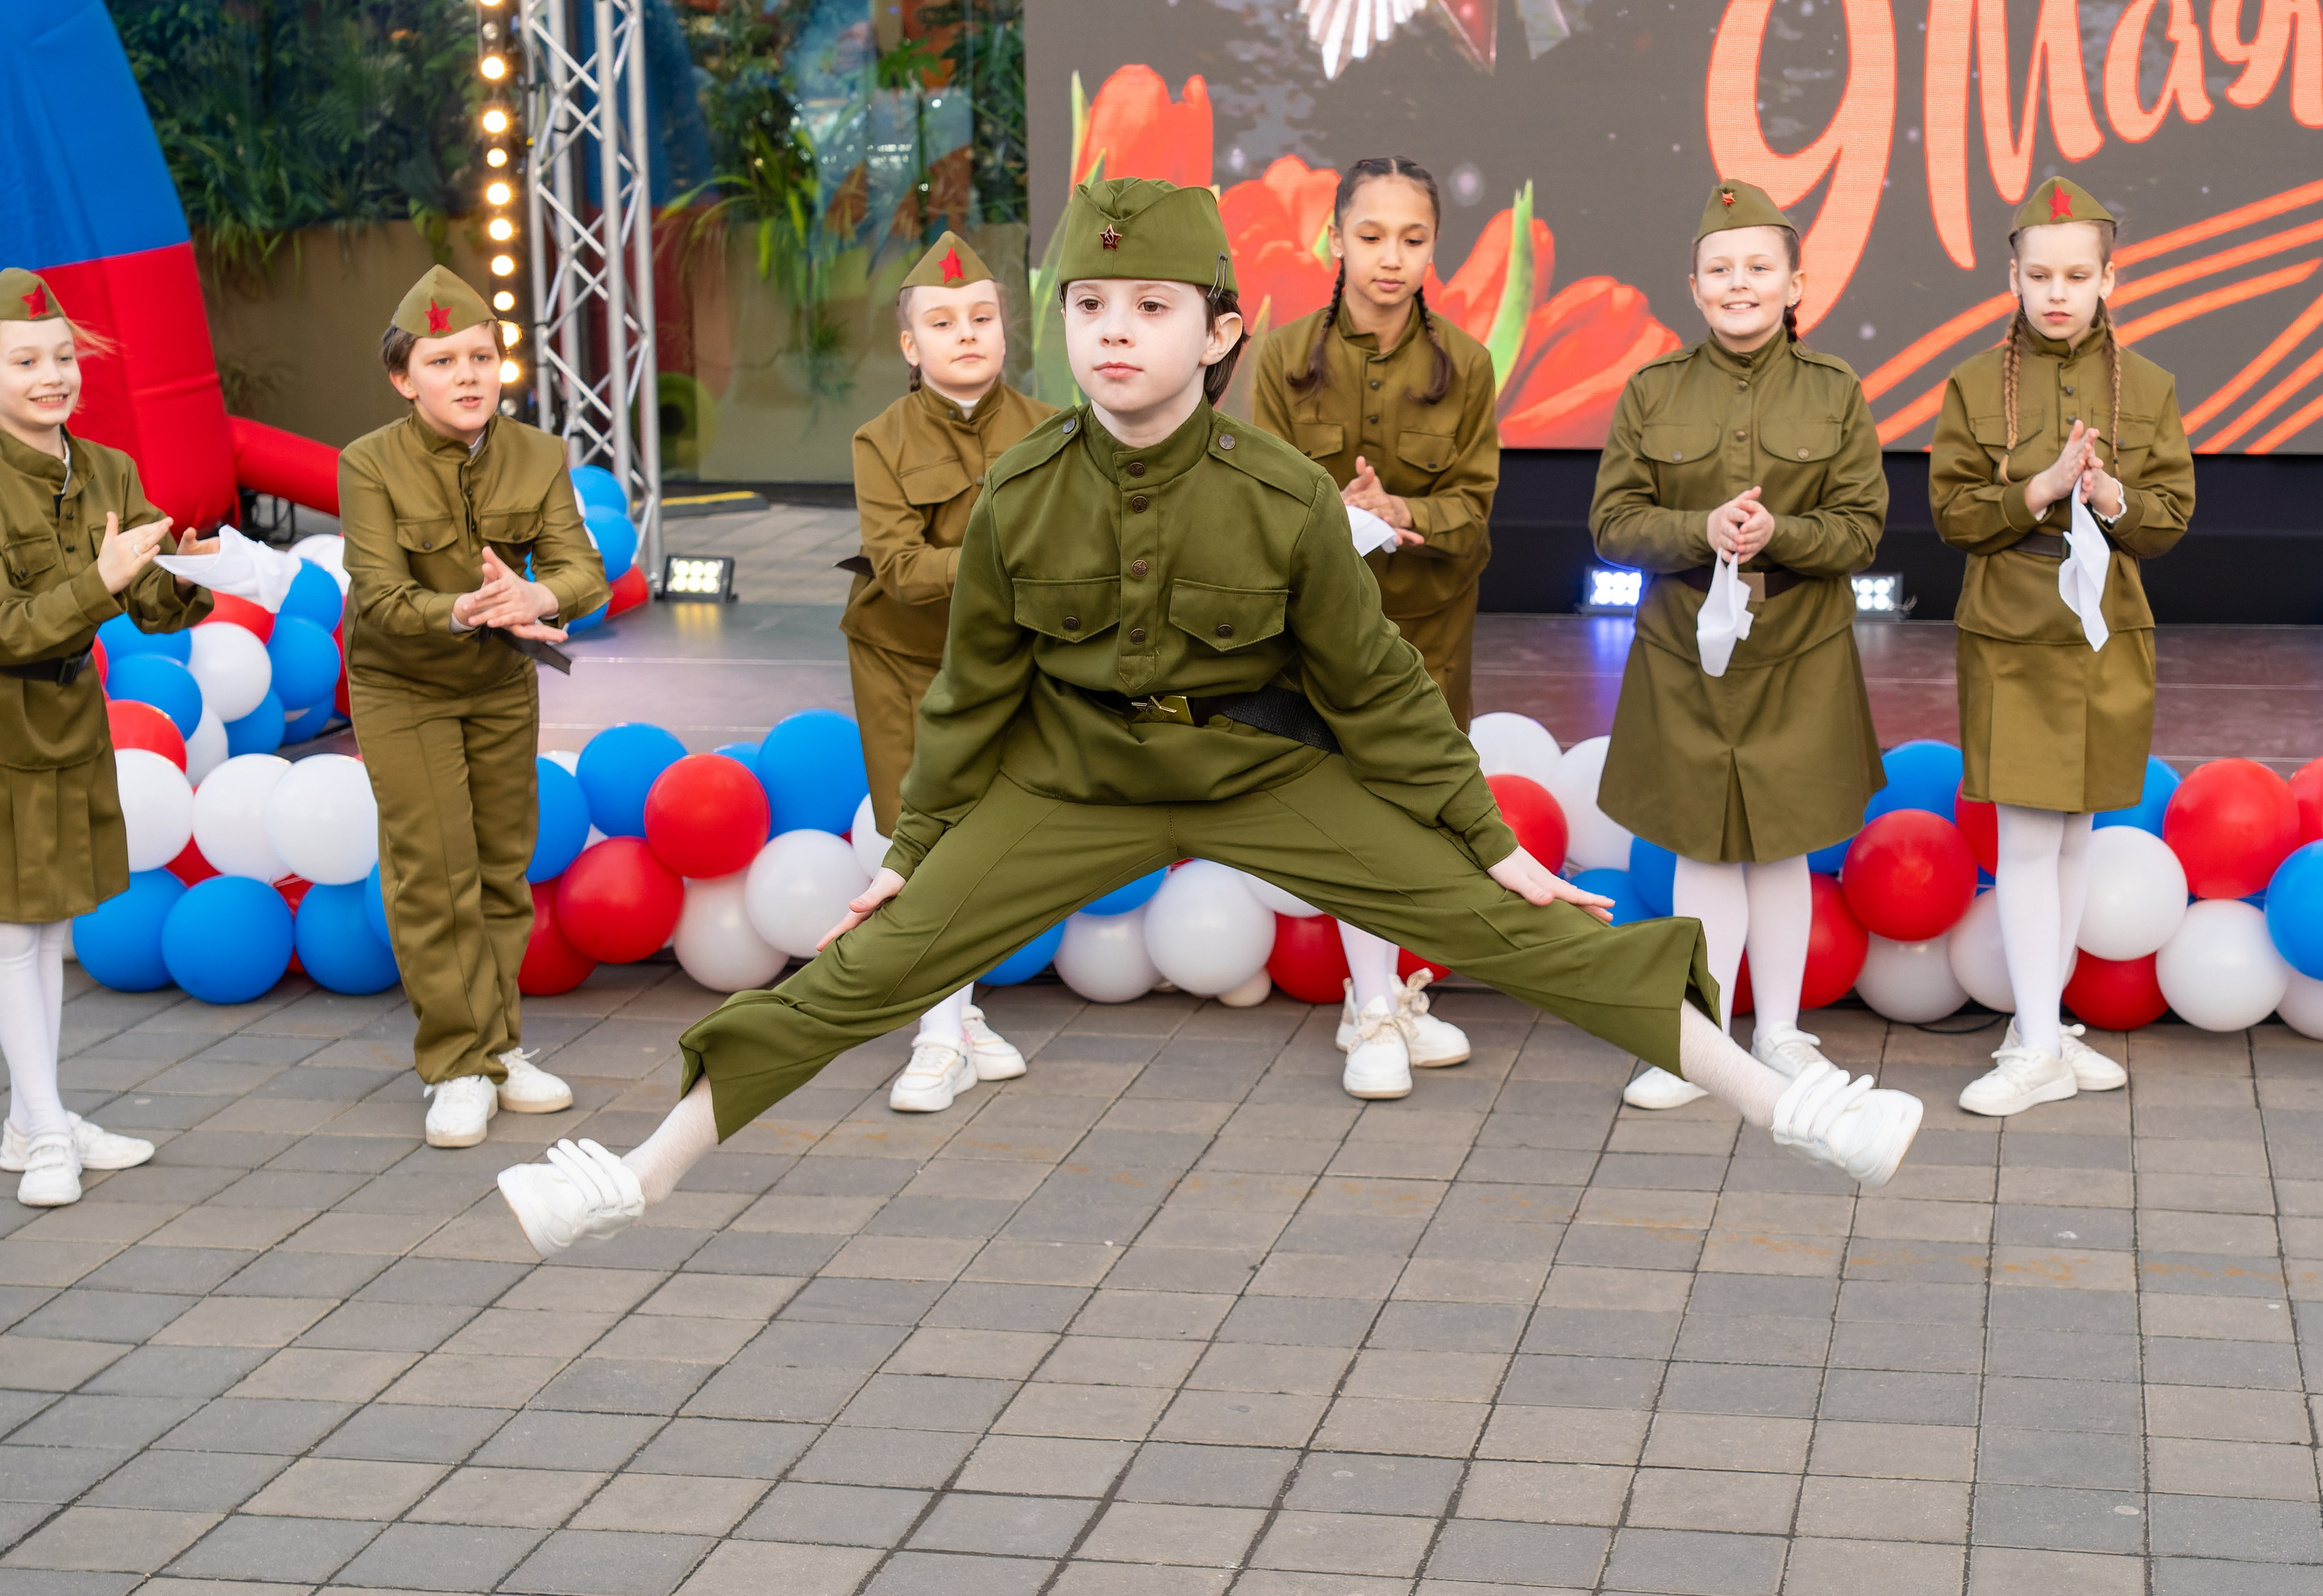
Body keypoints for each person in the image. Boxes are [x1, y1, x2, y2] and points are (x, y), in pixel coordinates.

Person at [493, 177, 1928, 1258]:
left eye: (1154, 309)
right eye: (1093, 311)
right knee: (866, 970)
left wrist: (1486, 840)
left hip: (1251, 767)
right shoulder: (1020, 488)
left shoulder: (1284, 494)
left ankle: (1794, 1106)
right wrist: (914, 848)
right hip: (1072, 781)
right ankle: (639, 1169)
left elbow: (1375, 689)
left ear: (1220, 330)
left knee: (1525, 933)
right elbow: (975, 689)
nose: (1116, 335)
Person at [1588, 181, 1889, 1110]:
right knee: (1705, 857)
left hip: (1798, 657)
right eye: (1721, 269)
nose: (1741, 284)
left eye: (1760, 267)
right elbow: (1612, 525)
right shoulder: (1652, 391)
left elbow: (1862, 529)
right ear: (1694, 286)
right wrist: (1701, 528)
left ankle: (1786, 1035)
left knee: (1784, 851)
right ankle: (1705, 1042)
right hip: (1688, 662)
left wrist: (1780, 537)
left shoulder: (1836, 392)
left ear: (1796, 283)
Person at [1929, 178, 2193, 1116]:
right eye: (2038, 273)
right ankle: (2038, 1042)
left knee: (2078, 834)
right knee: (2030, 841)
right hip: (2013, 636)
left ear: (2109, 278)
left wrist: (2112, 495)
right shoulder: (1969, 383)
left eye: (2076, 274)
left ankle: (2041, 1029)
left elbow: (2169, 518)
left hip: (2105, 637)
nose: (2056, 291)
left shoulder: (2152, 387)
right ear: (2012, 275)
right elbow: (1954, 513)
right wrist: (2038, 487)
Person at [339, 266, 612, 1147]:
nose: (468, 375)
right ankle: (455, 1063)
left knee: (501, 867)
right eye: (443, 359)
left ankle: (501, 1047)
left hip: (499, 683)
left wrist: (539, 600)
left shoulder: (537, 454)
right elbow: (378, 596)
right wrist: (460, 607)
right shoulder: (368, 463)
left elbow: (582, 569)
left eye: (482, 356)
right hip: (403, 685)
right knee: (435, 870)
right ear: (402, 376)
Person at [1251, 156, 1499, 1100]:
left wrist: (1405, 511)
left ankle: (1391, 992)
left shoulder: (1465, 365)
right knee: (1354, 812)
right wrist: (1330, 514)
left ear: (1435, 246)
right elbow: (1253, 506)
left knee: (1416, 816)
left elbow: (1474, 519)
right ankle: (1375, 1014)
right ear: (1333, 238)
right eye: (1371, 235)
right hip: (1323, 633)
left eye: (1413, 238)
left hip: (1429, 631)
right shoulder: (1279, 360)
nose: (1390, 258)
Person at [0, 267, 211, 1207]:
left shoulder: (108, 472)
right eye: (24, 361)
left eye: (62, 357)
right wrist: (102, 580)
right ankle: (45, 1125)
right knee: (13, 931)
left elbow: (152, 605)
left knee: (47, 927)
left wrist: (190, 568)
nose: (53, 377)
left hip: (68, 723)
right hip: (5, 728)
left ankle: (30, 1116)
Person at [845, 233, 1057, 1113]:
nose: (965, 333)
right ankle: (939, 1037)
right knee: (918, 841)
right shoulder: (880, 440)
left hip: (1007, 666)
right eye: (941, 321)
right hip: (902, 661)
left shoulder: (1053, 431)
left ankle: (957, 1017)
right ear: (910, 345)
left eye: (981, 317)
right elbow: (900, 570)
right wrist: (1006, 557)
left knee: (988, 840)